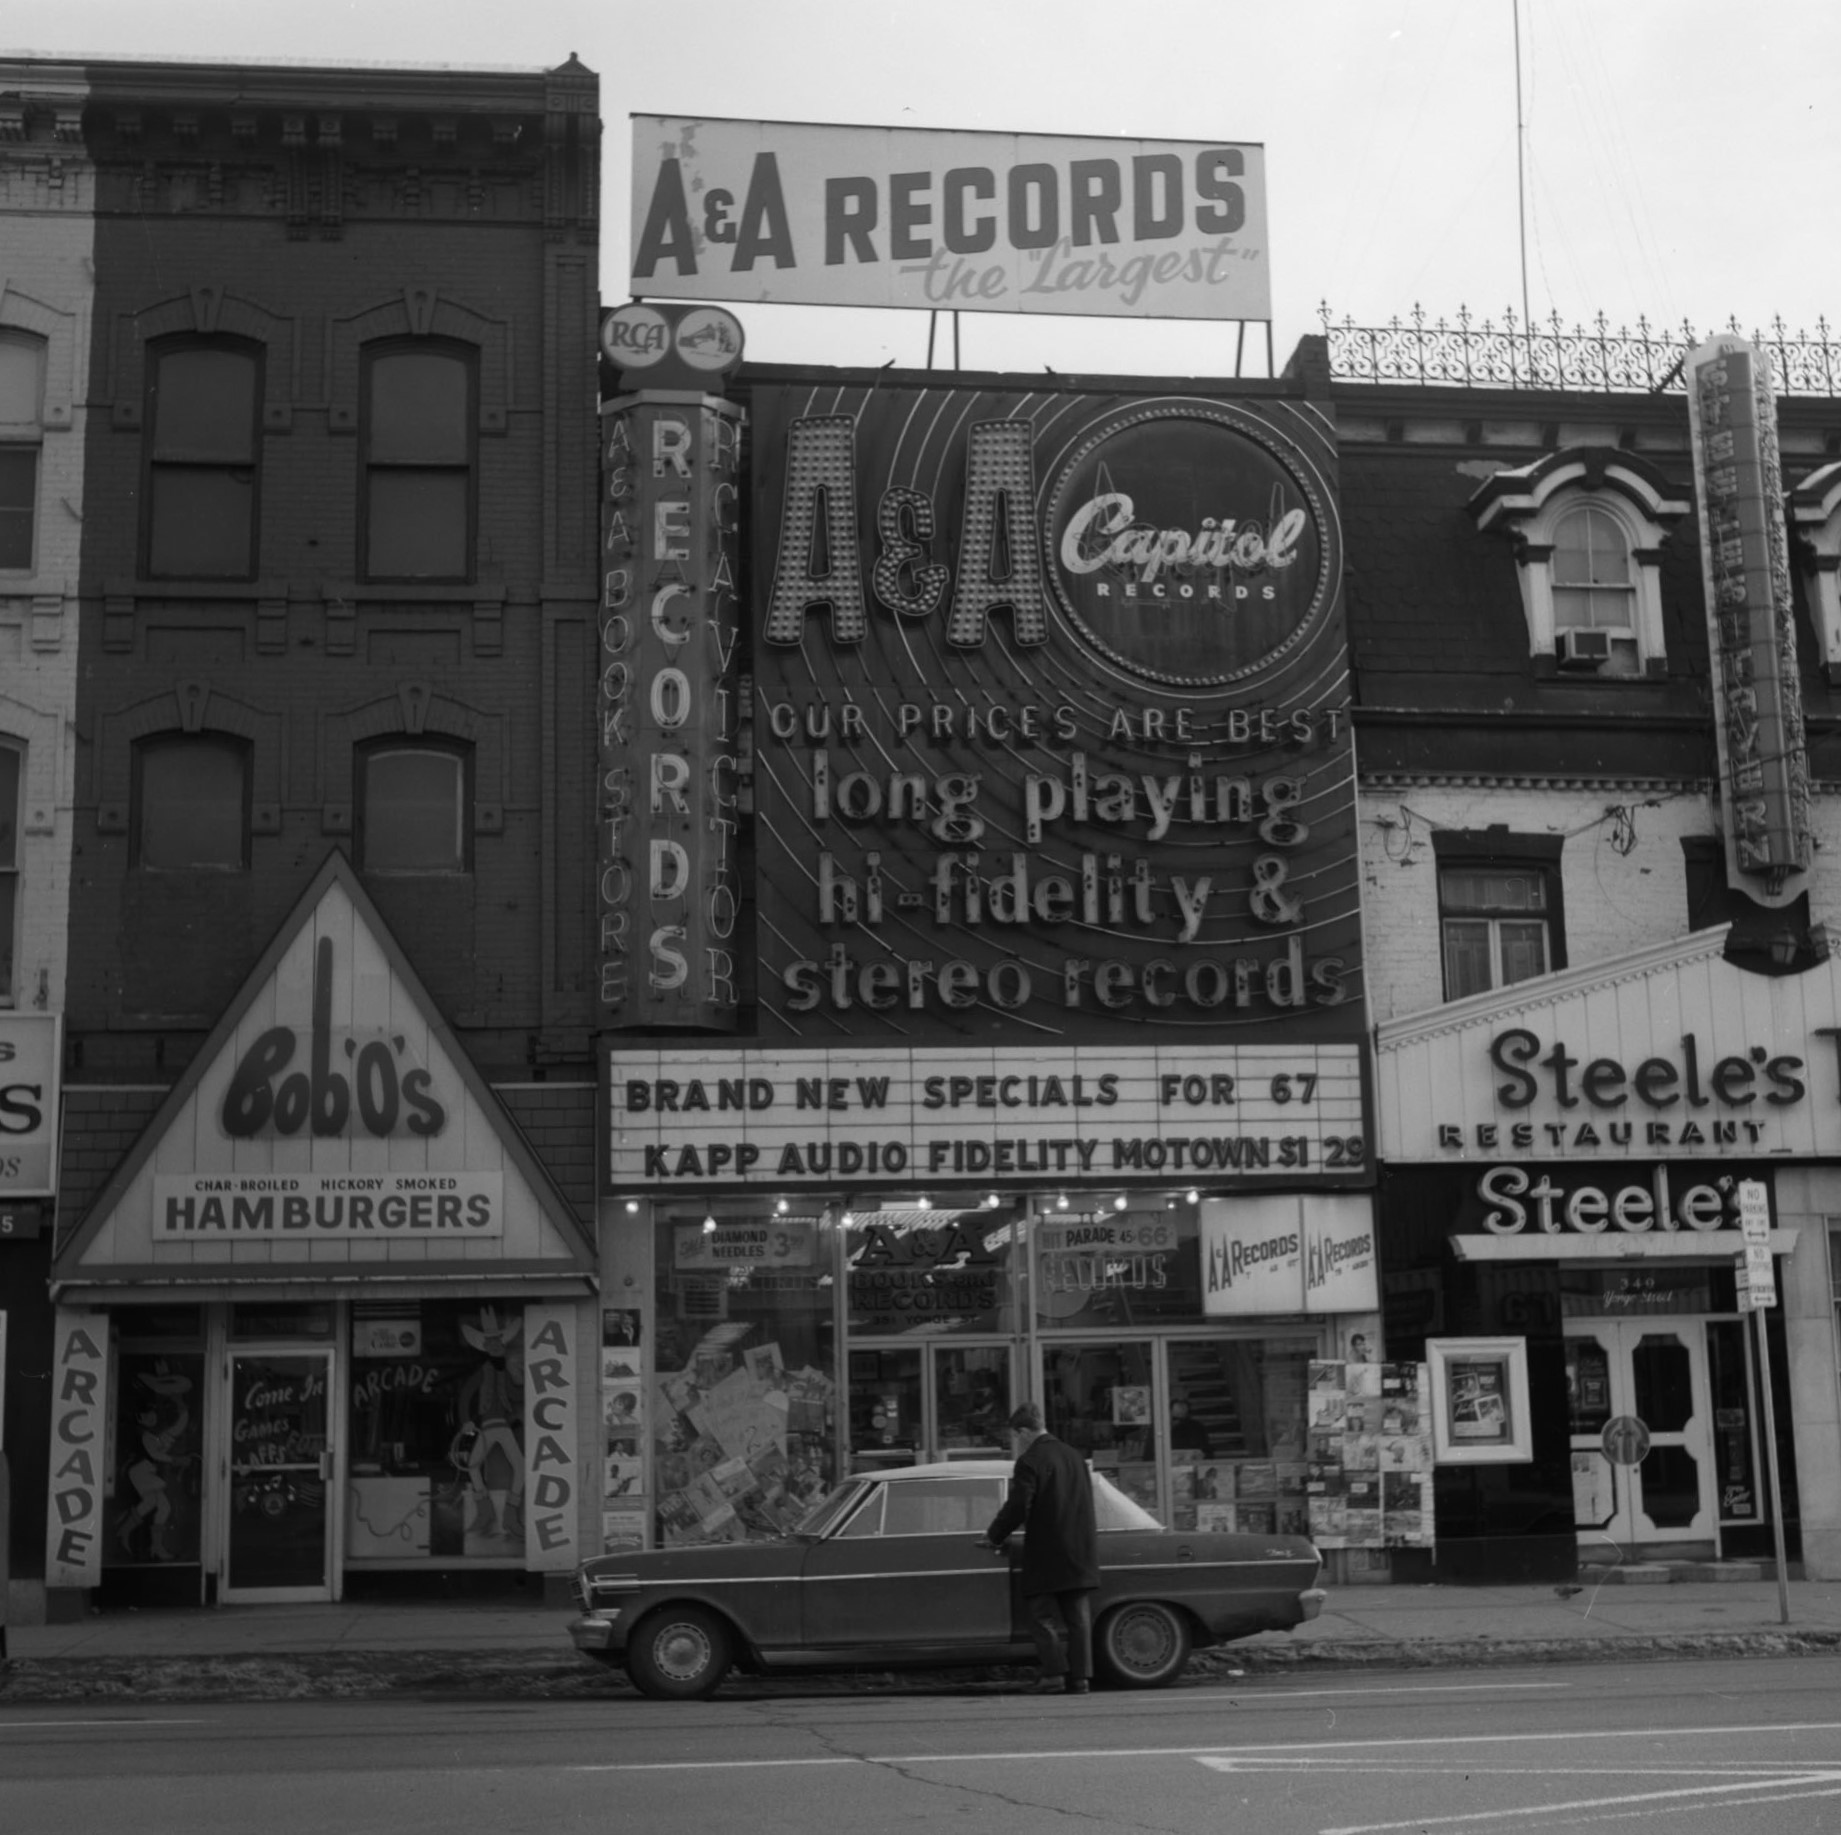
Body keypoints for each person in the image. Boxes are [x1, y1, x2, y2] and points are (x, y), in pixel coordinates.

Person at [980, 1402, 1100, 1695]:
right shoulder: (1075, 1456)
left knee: (1040, 1616)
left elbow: (1019, 1505)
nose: (1017, 1442)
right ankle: (1081, 1679)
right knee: (1078, 1619)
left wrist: (994, 1535)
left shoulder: (1030, 1461)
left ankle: (1054, 1674)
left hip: (1047, 1550)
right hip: (1080, 1549)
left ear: (1024, 1431)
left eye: (1016, 1436)